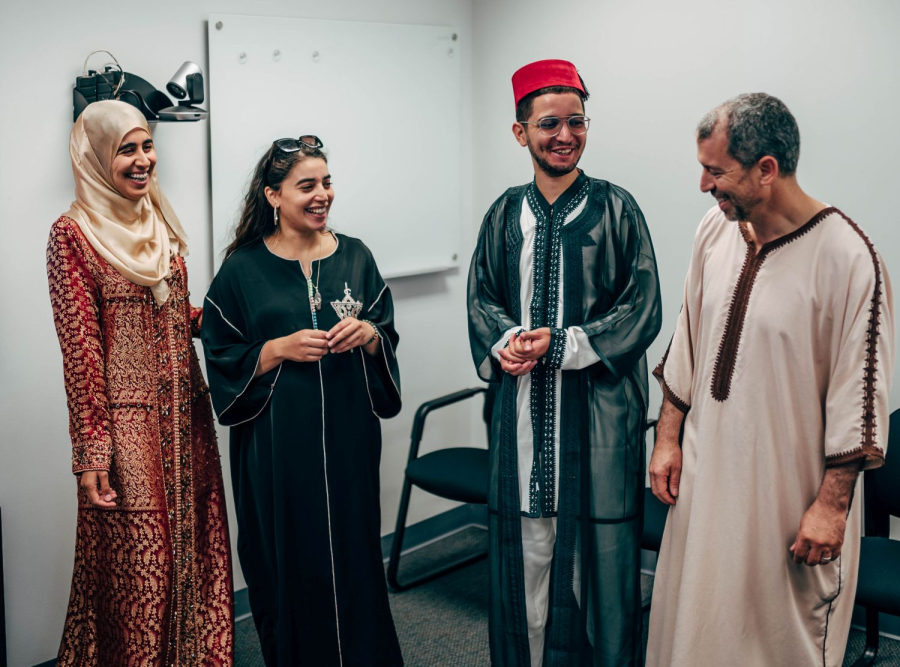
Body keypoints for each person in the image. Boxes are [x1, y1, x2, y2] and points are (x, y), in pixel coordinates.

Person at [647, 93, 895, 666]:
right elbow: (688, 337)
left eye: (716, 171)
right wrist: (667, 437)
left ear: (766, 169)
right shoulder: (715, 230)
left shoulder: (850, 259)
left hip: (788, 496)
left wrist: (832, 508)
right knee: (694, 619)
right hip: (706, 480)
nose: (705, 185)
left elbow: (859, 394)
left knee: (781, 640)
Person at [467, 60, 662, 666]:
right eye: (549, 123)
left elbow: (643, 306)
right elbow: (482, 298)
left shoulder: (617, 209)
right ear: (520, 132)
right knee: (525, 564)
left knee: (602, 574)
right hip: (522, 425)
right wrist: (506, 341)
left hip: (599, 427)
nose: (565, 135)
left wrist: (566, 343)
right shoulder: (504, 214)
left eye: (576, 122)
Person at [201, 136, 403, 666]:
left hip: (348, 442)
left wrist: (371, 336)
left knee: (355, 556)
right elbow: (221, 353)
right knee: (288, 560)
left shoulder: (356, 255)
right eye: (306, 185)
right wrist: (273, 349)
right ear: (273, 195)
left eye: (327, 182)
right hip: (275, 451)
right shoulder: (242, 271)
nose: (322, 195)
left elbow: (386, 331)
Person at [46, 100, 234, 664]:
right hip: (126, 432)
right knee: (138, 573)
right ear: (96, 157)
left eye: (147, 145)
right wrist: (92, 454)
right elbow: (81, 354)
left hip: (186, 411)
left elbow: (178, 314)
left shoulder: (158, 218)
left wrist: (246, 317)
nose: (142, 160)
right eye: (127, 149)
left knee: (195, 547)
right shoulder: (71, 236)